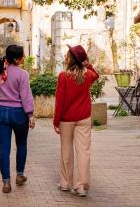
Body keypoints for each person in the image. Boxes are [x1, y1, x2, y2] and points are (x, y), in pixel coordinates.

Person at [53, 44, 99, 197]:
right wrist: (88, 63)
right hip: (84, 118)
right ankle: (81, 186)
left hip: (66, 119)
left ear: (71, 59)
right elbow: (96, 74)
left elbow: (60, 101)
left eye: (67, 54)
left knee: (66, 151)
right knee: (84, 152)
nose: (65, 56)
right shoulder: (87, 75)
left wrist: (56, 121)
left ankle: (65, 183)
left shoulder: (63, 76)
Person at [0, 45, 35, 193]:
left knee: (4, 148)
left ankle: (6, 183)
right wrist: (30, 115)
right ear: (16, 59)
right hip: (18, 113)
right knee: (21, 144)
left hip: (1, 112)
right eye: (23, 55)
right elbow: (26, 96)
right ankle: (20, 175)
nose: (24, 58)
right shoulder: (23, 74)